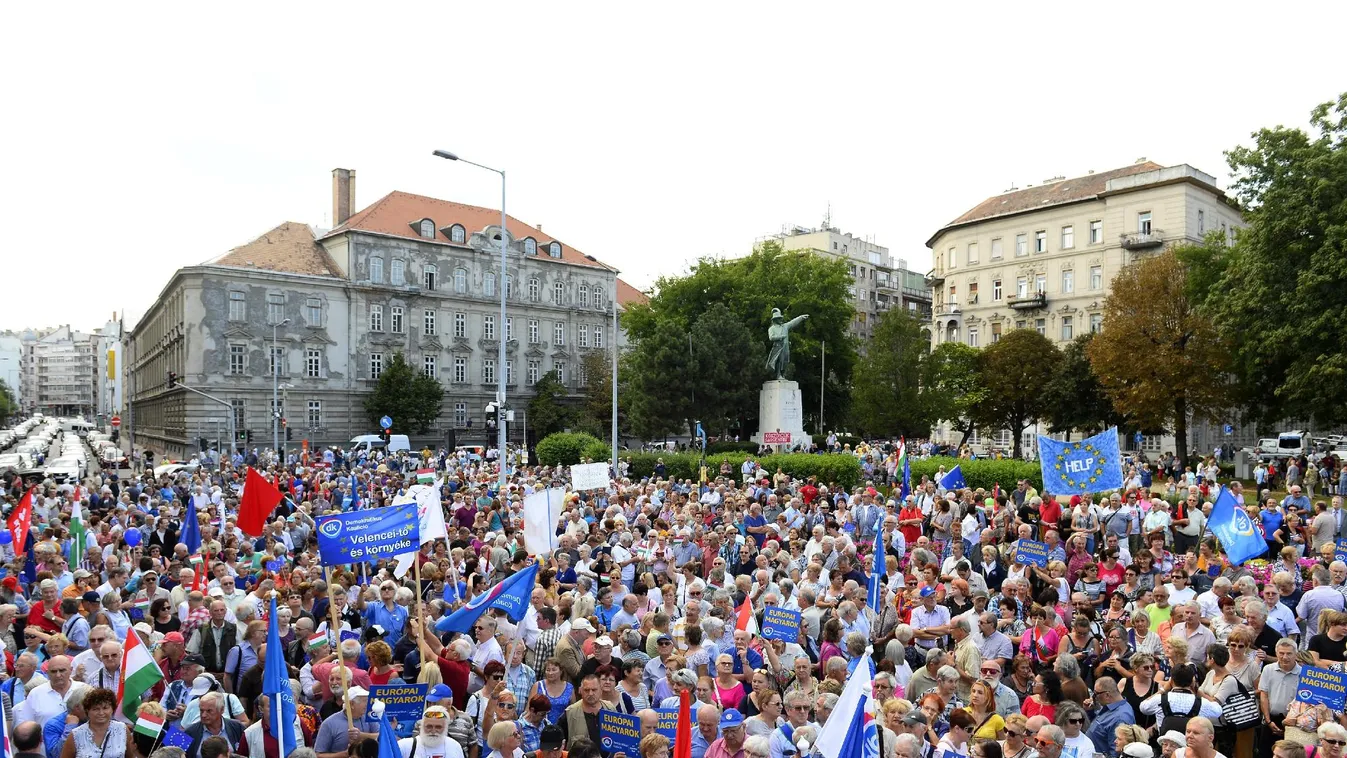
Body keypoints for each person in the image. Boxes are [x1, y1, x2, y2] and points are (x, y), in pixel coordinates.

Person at [58, 688, 132, 758]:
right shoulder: (76, 735)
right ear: (87, 711)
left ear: (112, 709)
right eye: (95, 709)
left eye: (105, 708)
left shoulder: (122, 729)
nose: (101, 713)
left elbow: (130, 756)